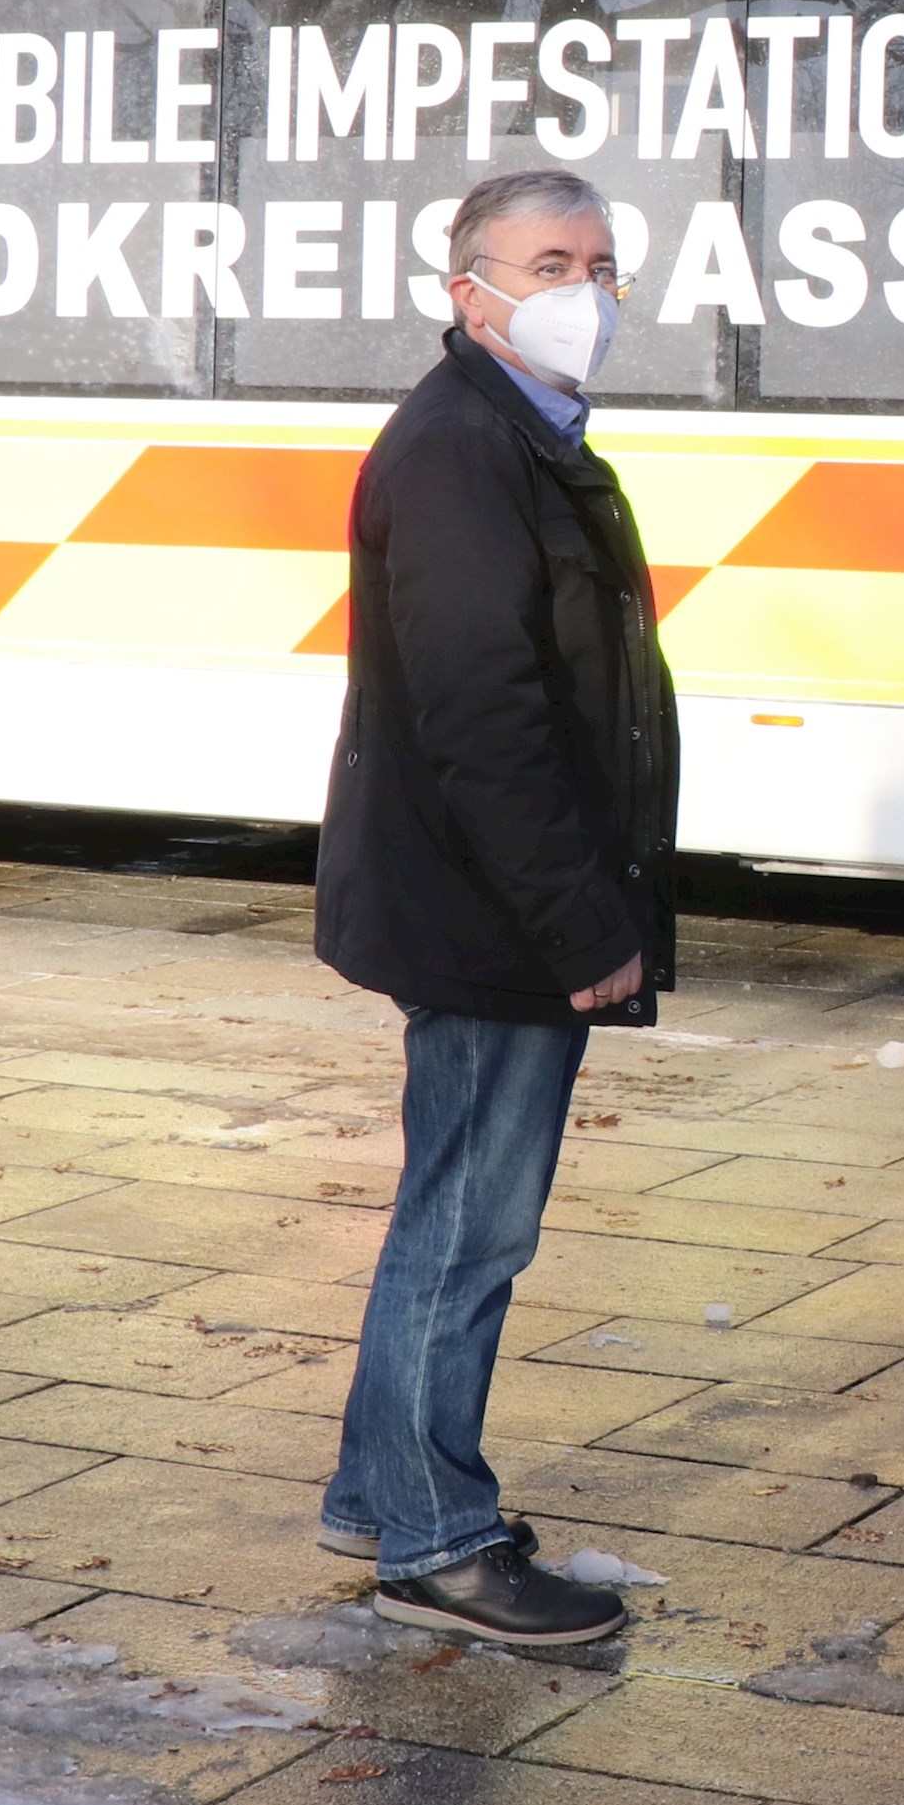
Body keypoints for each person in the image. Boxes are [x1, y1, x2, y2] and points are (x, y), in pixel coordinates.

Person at [311, 167, 677, 1646]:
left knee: (452, 1209)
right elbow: (485, 719)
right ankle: (438, 1541)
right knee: (468, 1228)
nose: (582, 287)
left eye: (600, 261)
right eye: (548, 262)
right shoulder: (468, 447)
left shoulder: (518, 432)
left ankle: (375, 1488)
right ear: (471, 289)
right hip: (495, 915)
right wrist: (582, 923)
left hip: (496, 902)